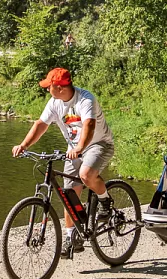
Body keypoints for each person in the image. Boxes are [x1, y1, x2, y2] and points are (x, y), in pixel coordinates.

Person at [11, 67, 115, 254]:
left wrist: (80, 148)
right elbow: (40, 125)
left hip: (98, 144)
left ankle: (105, 200)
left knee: (85, 174)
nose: (46, 89)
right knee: (69, 194)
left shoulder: (85, 99)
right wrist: (24, 145)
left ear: (59, 87)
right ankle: (71, 237)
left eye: (48, 86)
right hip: (73, 151)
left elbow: (89, 126)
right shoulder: (54, 102)